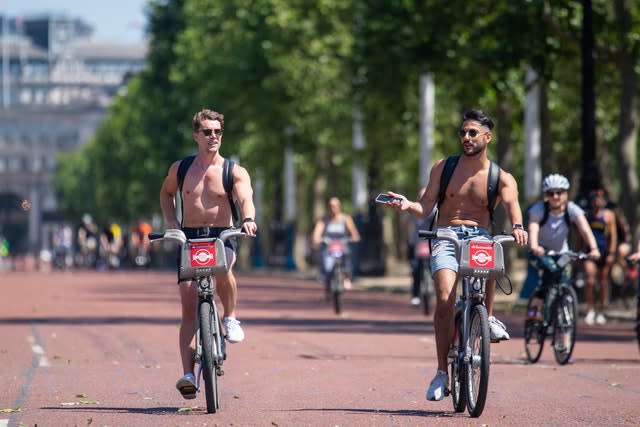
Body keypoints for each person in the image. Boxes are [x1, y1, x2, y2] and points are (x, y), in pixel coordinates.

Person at [382, 109, 528, 402]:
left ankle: (486, 317)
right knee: (445, 296)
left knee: (490, 252)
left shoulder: (501, 176)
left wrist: (518, 226)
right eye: (463, 132)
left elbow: (513, 204)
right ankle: (440, 372)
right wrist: (407, 205)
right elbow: (425, 208)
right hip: (446, 235)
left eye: (473, 133)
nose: (466, 137)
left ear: (488, 137)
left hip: (479, 236)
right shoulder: (444, 167)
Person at [159, 108, 258, 400]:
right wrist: (171, 222)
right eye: (207, 132)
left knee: (223, 268)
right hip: (189, 238)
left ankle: (231, 317)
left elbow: (245, 197)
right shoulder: (181, 169)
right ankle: (188, 374)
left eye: (217, 132)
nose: (213, 136)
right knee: (189, 305)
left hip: (221, 235)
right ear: (196, 135)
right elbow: (166, 193)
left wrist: (248, 218)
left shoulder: (233, 171)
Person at [526, 174, 600, 317]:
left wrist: (594, 248)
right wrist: (535, 245)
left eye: (559, 192)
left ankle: (560, 311)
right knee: (549, 273)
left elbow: (585, 230)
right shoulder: (539, 209)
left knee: (563, 280)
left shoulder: (572, 209)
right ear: (546, 195)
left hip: (562, 252)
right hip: (541, 251)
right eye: (550, 193)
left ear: (566, 194)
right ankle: (536, 307)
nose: (555, 196)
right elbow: (533, 227)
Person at [311, 197, 361, 292]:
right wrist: (316, 239)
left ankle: (346, 277)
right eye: (331, 206)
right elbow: (317, 233)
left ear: (339, 207)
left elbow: (354, 232)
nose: (333, 208)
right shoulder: (323, 220)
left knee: (347, 253)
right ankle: (326, 279)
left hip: (342, 245)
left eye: (335, 206)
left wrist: (354, 237)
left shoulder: (346, 218)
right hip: (328, 246)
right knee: (326, 262)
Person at [582, 189, 617, 325]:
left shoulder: (609, 215)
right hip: (590, 252)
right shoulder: (587, 216)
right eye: (596, 198)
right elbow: (581, 236)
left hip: (604, 252)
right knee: (590, 280)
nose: (599, 201)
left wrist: (611, 253)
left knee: (602, 282)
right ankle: (590, 310)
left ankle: (601, 311)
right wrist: (578, 252)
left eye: (601, 199)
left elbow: (613, 236)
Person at [407, 187, 436, 306]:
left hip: (432, 243)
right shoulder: (414, 209)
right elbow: (407, 225)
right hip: (417, 243)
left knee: (434, 268)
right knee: (416, 269)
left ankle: (435, 290)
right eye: (420, 196)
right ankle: (415, 295)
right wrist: (409, 240)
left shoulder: (436, 210)